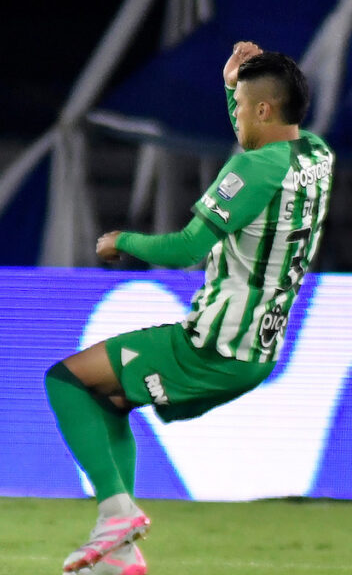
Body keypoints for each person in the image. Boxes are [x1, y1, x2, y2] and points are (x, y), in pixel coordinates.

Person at [45, 42, 334, 575]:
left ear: (266, 110)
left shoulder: (254, 170)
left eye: (245, 107)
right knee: (111, 400)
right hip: (257, 352)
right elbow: (260, 149)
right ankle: (120, 553)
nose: (239, 118)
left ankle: (115, 514)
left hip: (210, 346)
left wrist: (121, 240)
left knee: (64, 380)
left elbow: (187, 250)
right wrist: (233, 89)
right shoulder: (315, 155)